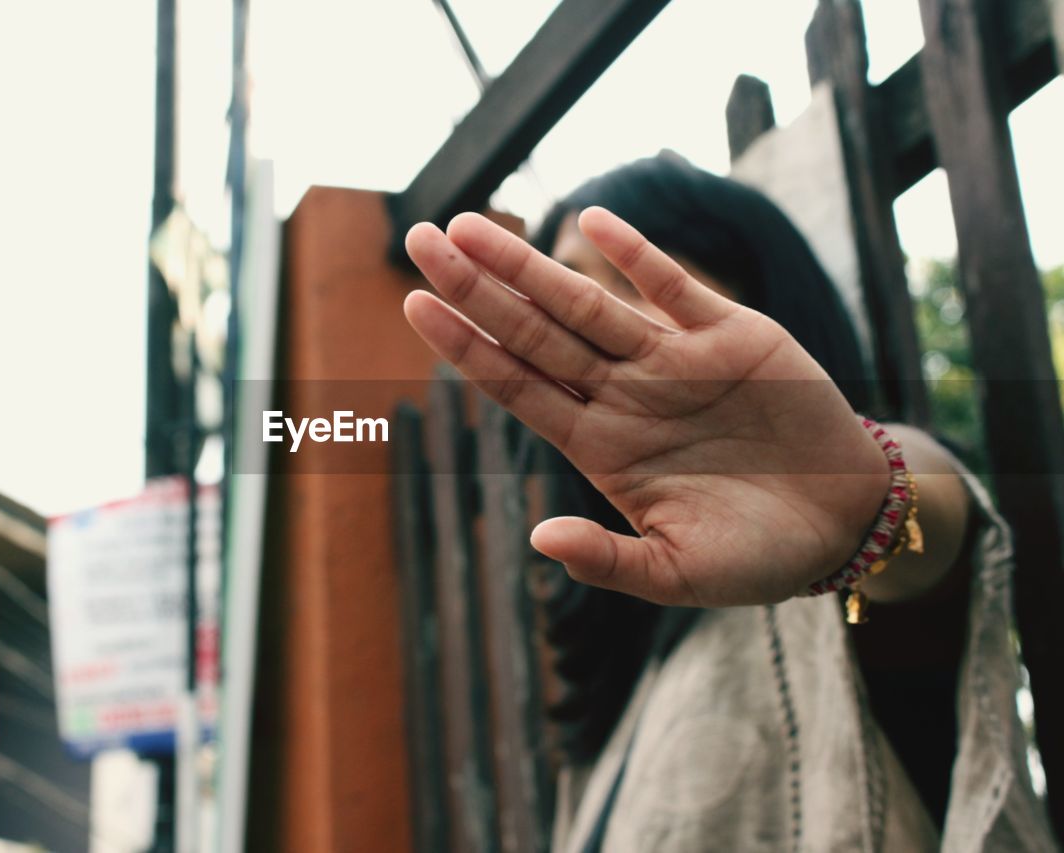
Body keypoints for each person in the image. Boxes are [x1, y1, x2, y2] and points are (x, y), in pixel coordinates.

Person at [402, 155, 1057, 851]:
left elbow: (929, 533)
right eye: (570, 283)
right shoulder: (631, 660)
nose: (587, 314)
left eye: (629, 279)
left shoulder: (829, 574)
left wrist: (865, 509)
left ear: (756, 302)